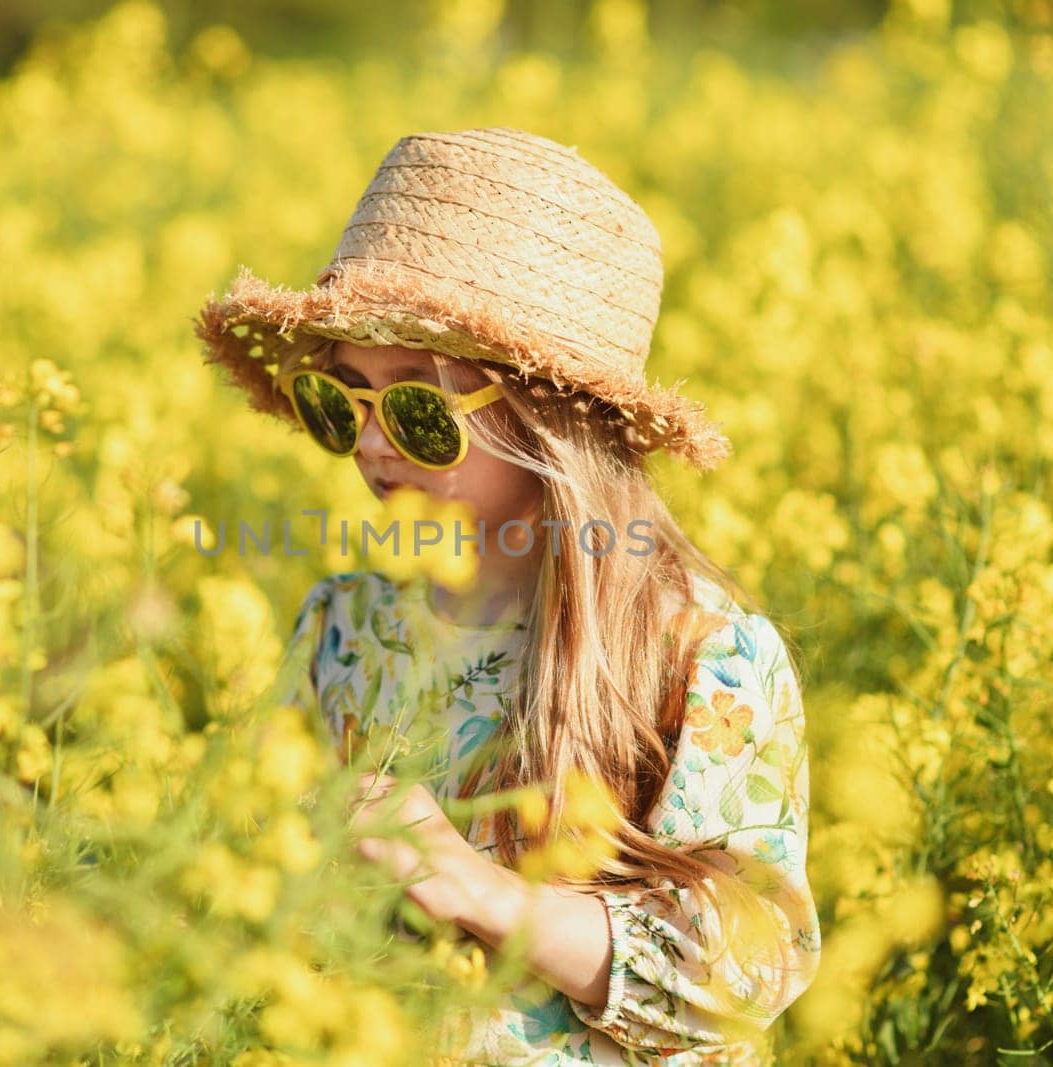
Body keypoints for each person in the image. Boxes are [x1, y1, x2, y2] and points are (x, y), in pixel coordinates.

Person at [194, 127, 821, 1065]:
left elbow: (751, 967)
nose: (368, 445)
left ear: (550, 423)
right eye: (341, 400)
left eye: (413, 406)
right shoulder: (343, 626)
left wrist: (481, 893)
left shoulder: (698, 650)